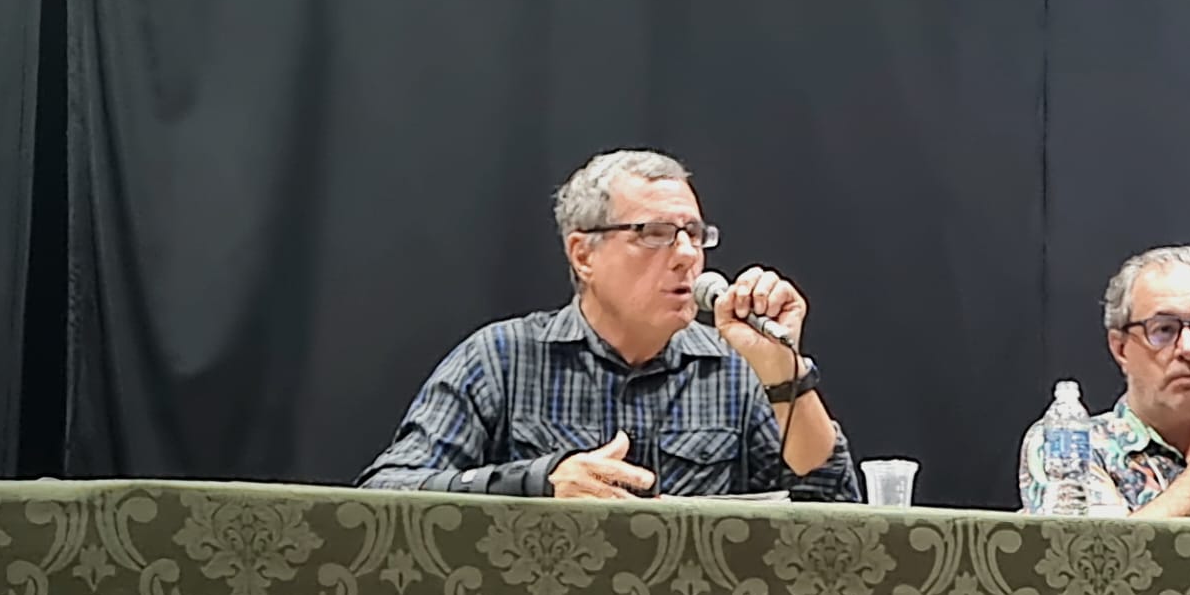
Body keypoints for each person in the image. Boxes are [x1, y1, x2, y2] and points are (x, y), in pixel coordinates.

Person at [357, 149, 860, 501]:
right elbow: (386, 490)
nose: (687, 255)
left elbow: (839, 518)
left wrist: (784, 373)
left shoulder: (736, 370)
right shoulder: (501, 360)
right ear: (583, 255)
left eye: (693, 233)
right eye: (654, 233)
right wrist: (537, 482)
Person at [1019, 245, 1190, 520]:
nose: (1189, 348)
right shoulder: (1070, 446)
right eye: (1164, 330)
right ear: (1120, 348)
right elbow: (1106, 552)